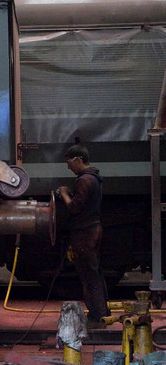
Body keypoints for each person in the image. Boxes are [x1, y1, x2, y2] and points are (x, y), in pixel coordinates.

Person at [56, 140, 109, 328]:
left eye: (69, 163)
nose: (69, 168)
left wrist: (64, 193)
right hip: (92, 230)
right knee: (95, 272)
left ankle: (98, 316)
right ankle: (103, 312)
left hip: (85, 234)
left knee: (89, 276)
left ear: (78, 160)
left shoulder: (84, 180)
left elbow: (74, 208)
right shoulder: (93, 177)